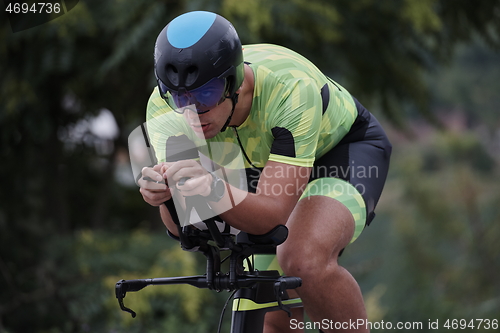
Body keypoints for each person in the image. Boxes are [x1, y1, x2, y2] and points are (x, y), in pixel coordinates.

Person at [139, 11, 391, 333]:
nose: (192, 111)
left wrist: (211, 189)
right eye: (180, 96)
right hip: (260, 164)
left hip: (338, 152)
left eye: (205, 94)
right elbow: (185, 228)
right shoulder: (164, 108)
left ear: (235, 82)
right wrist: (164, 196)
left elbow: (270, 216)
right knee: (268, 310)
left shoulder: (289, 89)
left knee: (302, 259)